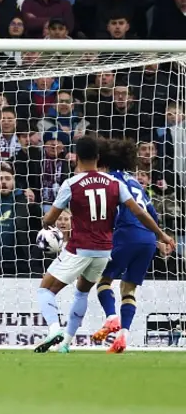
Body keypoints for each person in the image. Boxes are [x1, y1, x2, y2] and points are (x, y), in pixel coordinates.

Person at [34, 136, 175, 354]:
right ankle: (66, 344)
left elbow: (49, 219)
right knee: (86, 291)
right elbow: (141, 211)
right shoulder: (116, 183)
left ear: (77, 157)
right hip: (107, 249)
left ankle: (55, 329)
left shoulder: (72, 183)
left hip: (82, 247)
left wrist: (49, 228)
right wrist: (161, 235)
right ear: (98, 156)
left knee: (46, 290)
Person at [91, 139, 166, 353]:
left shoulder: (107, 181)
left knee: (104, 280)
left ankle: (111, 318)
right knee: (128, 288)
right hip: (148, 240)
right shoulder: (135, 182)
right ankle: (123, 335)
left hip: (125, 235)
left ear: (103, 160)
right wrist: (160, 237)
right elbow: (153, 215)